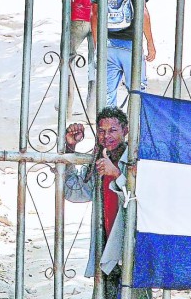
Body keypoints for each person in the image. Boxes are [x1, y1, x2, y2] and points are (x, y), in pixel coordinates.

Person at [64, 106, 151, 299]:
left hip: (134, 247)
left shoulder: (137, 158)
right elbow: (73, 192)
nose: (106, 136)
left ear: (125, 131)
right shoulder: (98, 161)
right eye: (101, 131)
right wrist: (69, 149)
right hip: (107, 246)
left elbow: (146, 198)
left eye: (112, 130)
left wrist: (118, 175)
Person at [90, 0, 156, 108]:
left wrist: (99, 46)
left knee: (107, 95)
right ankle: (133, 131)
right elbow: (143, 13)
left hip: (108, 46)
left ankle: (109, 132)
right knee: (136, 93)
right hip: (130, 46)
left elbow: (95, 14)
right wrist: (150, 43)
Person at [59, 0, 114, 120]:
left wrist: (71, 12)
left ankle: (66, 108)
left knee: (68, 60)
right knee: (96, 63)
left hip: (79, 16)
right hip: (100, 20)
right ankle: (92, 111)